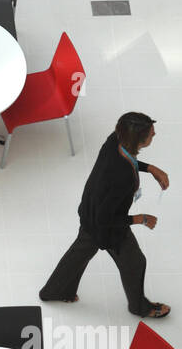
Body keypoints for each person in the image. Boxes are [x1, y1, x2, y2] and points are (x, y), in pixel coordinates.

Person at [39, 112, 170, 318]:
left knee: (79, 254)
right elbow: (106, 219)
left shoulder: (115, 139)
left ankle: (55, 291)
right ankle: (140, 307)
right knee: (135, 263)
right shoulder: (122, 176)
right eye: (151, 134)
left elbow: (128, 162)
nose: (155, 135)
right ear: (137, 139)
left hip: (89, 211)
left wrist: (150, 168)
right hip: (106, 226)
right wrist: (140, 219)